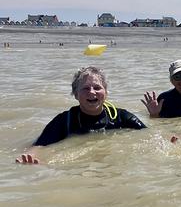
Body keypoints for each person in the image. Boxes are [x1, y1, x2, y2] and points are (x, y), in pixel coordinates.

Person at [15, 67, 146, 163]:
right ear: (76, 94)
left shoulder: (121, 116)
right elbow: (40, 145)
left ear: (106, 92)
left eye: (97, 87)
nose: (92, 92)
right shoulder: (64, 121)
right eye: (85, 88)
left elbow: (149, 134)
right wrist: (28, 157)